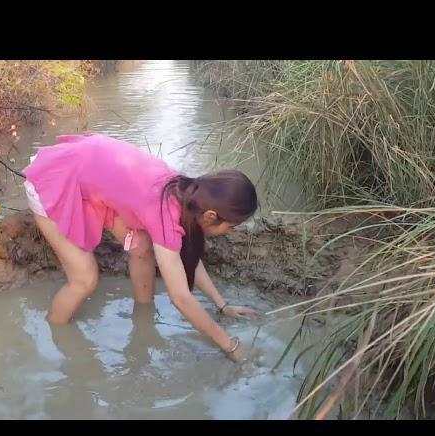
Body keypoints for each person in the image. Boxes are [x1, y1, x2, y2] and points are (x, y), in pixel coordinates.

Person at [23, 133, 258, 362]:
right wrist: (230, 346)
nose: (230, 232)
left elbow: (189, 256)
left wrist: (222, 305)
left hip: (87, 168)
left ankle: (143, 321)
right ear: (210, 216)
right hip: (55, 178)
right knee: (84, 280)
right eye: (231, 226)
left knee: (141, 245)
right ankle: (56, 333)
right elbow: (181, 298)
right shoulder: (164, 212)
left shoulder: (187, 194)